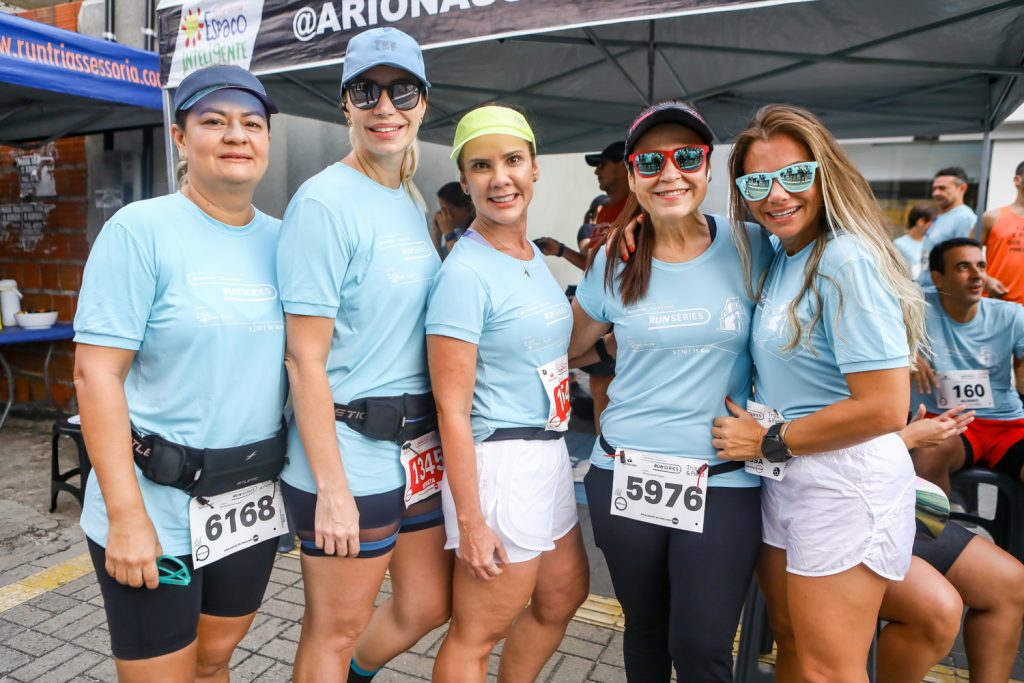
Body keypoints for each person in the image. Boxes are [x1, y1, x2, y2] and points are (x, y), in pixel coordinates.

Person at [73, 65, 286, 680]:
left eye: (251, 123)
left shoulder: (286, 241)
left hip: (248, 500)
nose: (235, 135)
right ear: (179, 136)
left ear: (267, 139)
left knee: (214, 660)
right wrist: (126, 515)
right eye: (213, 121)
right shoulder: (140, 232)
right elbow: (96, 376)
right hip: (157, 503)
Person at [711, 104, 925, 683]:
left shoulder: (846, 258)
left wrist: (769, 440)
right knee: (794, 647)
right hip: (791, 476)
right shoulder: (787, 254)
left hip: (841, 481)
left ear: (823, 173)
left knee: (830, 668)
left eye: (795, 175)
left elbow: (885, 406)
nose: (777, 194)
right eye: (757, 182)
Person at [571, 100, 773, 682]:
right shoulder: (616, 258)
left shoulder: (754, 246)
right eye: (651, 162)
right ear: (633, 175)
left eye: (687, 157)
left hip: (722, 477)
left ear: (709, 168)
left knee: (702, 644)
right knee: (647, 634)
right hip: (625, 472)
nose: (670, 173)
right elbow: (573, 348)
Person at [275, 27, 451, 683]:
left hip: (416, 449)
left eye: (401, 90)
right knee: (335, 627)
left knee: (429, 601)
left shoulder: (406, 195)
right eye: (367, 91)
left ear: (423, 103)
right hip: (348, 449)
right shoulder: (323, 202)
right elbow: (303, 360)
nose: (386, 107)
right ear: (344, 103)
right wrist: (332, 491)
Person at [426, 104, 589, 682]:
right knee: (477, 633)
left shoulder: (528, 255)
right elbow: (451, 406)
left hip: (548, 451)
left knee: (561, 597)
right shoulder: (464, 273)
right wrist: (470, 520)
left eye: (513, 160)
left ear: (535, 168)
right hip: (501, 462)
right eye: (482, 166)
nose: (501, 178)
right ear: (465, 181)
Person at [879, 407, 1024, 683]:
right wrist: (904, 439)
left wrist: (903, 436)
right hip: (839, 516)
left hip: (893, 506)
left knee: (1010, 582)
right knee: (936, 610)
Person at [909, 237, 1024, 494]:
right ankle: (943, 534)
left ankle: (1013, 534)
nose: (976, 275)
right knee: (929, 455)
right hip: (945, 421)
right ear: (938, 278)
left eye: (981, 266)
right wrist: (907, 354)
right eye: (963, 267)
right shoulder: (913, 309)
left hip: (1006, 424)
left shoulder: (1011, 315)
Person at [916, 167, 977, 291]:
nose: (936, 193)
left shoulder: (965, 218)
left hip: (944, 295)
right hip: (926, 291)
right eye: (934, 188)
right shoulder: (940, 216)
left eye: (942, 188)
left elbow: (964, 262)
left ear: (962, 188)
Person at [981, 160, 1024, 305]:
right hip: (997, 304)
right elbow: (964, 257)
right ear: (1017, 180)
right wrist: (985, 279)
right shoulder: (991, 217)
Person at [432, 180, 474, 258]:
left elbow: (459, 260)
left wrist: (449, 233)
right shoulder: (458, 233)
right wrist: (437, 235)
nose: (442, 214)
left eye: (445, 209)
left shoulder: (475, 233)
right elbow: (440, 263)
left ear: (463, 207)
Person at [894, 203, 935, 279]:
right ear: (921, 221)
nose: (933, 226)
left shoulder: (930, 243)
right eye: (931, 223)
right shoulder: (899, 244)